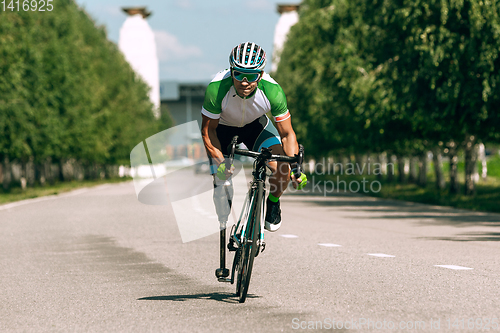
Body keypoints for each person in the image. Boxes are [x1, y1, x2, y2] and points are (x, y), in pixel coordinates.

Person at [201, 42, 307, 231]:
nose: (244, 81)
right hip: (222, 130)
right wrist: (220, 163)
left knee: (282, 169)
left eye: (251, 76)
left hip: (255, 127)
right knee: (222, 179)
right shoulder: (216, 89)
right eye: (239, 74)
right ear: (231, 71)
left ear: (261, 75)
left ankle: (273, 202)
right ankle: (221, 190)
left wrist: (294, 167)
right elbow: (208, 132)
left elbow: (287, 133)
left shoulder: (273, 91)